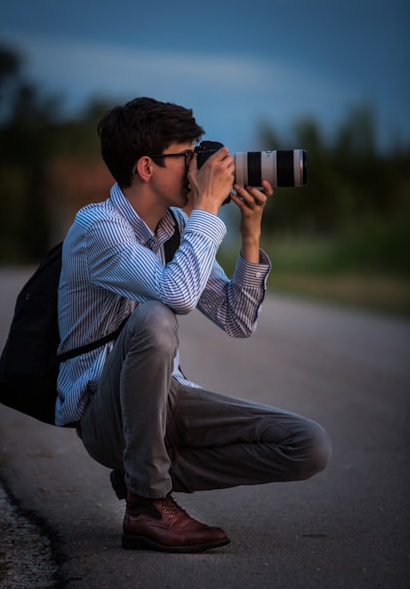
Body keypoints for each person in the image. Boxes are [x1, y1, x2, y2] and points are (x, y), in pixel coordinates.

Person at [56, 97, 331, 553]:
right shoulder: (97, 227)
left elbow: (237, 319)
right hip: (105, 414)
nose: (200, 168)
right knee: (154, 318)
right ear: (147, 167)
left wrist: (250, 232)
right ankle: (147, 505)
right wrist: (205, 209)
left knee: (308, 445)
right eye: (188, 157)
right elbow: (176, 297)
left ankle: (144, 474)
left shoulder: (176, 229)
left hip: (169, 398)